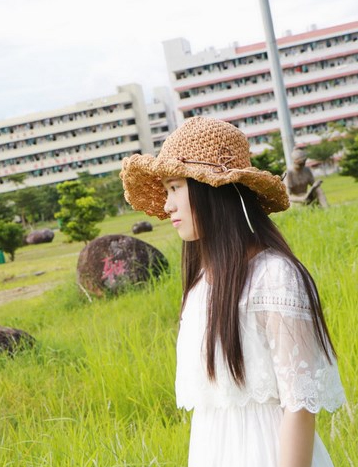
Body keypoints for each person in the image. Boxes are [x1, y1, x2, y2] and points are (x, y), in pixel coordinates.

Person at [120, 117, 345, 467]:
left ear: (214, 190)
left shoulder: (274, 278)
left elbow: (299, 406)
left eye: (176, 187)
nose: (167, 206)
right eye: (166, 191)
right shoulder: (200, 285)